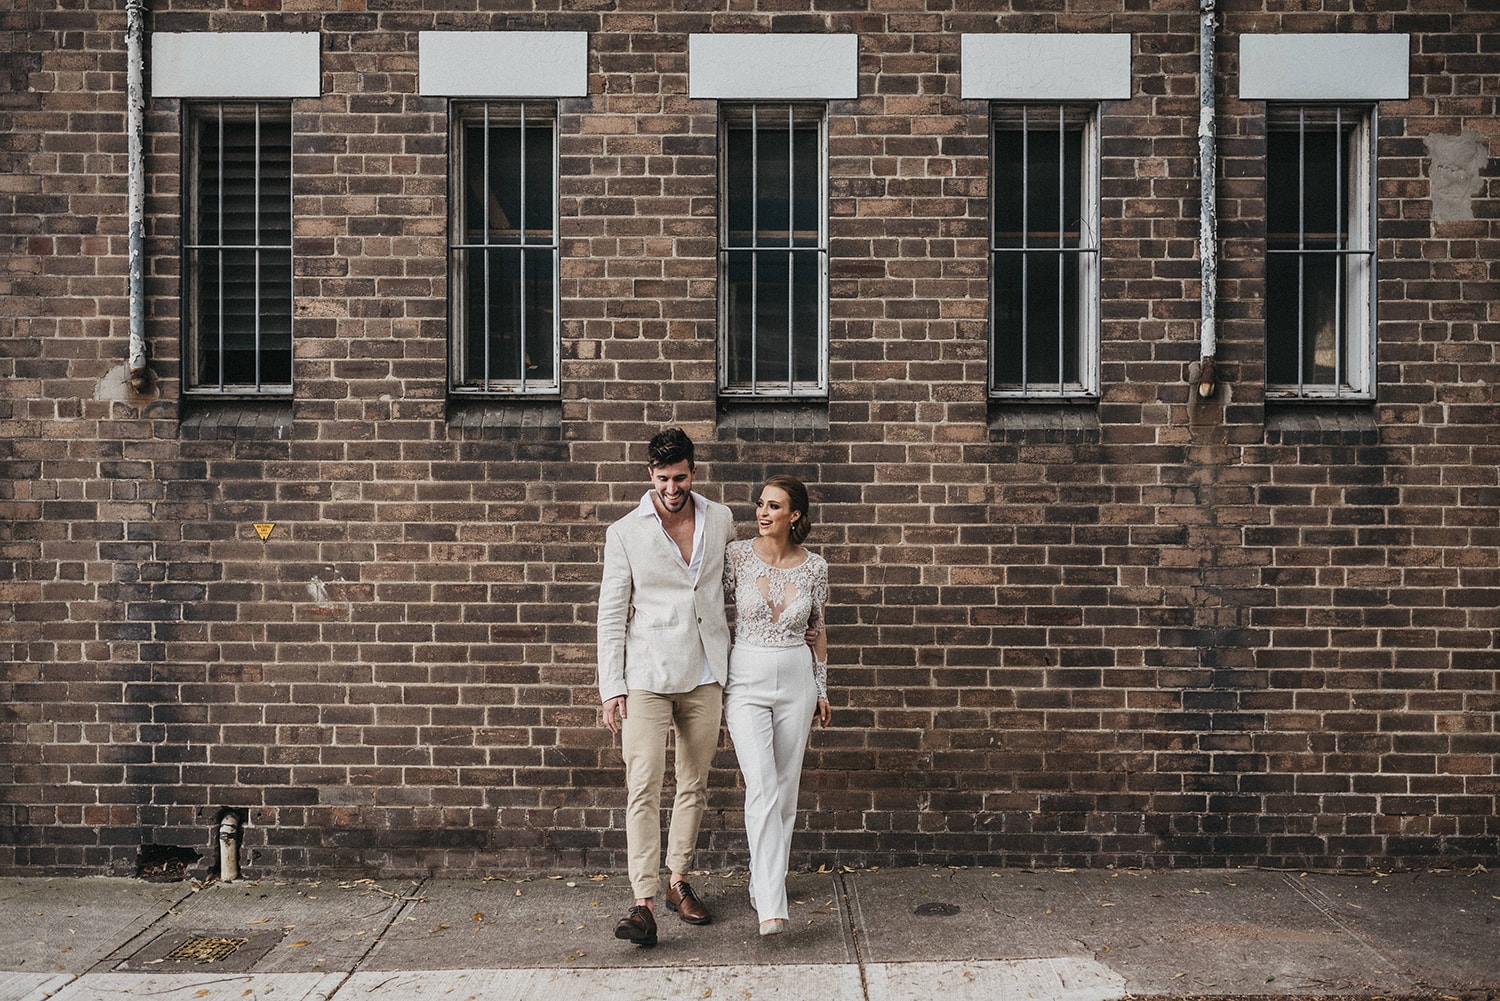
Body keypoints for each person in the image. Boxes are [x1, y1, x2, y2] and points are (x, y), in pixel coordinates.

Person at [596, 428, 733, 948]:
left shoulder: (720, 519)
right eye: (662, 479)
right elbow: (611, 615)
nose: (671, 488)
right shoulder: (624, 532)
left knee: (694, 782)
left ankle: (678, 881)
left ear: (693, 472)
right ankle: (644, 904)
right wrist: (612, 687)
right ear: (649, 475)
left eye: (679, 478)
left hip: (705, 670)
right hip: (646, 676)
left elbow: (736, 584)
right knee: (644, 786)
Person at [723, 474, 832, 936]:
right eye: (761, 504)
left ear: (795, 515)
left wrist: (822, 689)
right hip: (746, 678)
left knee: (785, 792)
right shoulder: (735, 557)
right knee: (763, 786)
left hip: (796, 679)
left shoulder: (815, 567)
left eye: (774, 506)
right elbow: (706, 609)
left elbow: (818, 630)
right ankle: (772, 904)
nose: (762, 513)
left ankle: (764, 882)